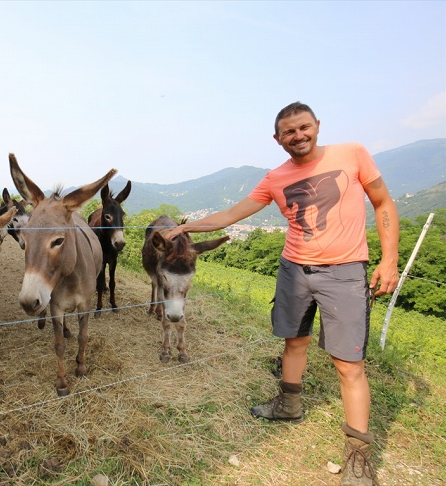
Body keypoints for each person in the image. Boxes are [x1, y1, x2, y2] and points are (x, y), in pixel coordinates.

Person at [166, 102, 399, 485]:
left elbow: (383, 202)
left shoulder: (353, 154)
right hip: (294, 270)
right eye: (289, 132)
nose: (299, 136)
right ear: (278, 139)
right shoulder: (276, 177)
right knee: (294, 342)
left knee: (349, 365)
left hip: (344, 271)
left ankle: (358, 458)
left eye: (304, 127)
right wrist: (182, 230)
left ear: (317, 126)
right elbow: (230, 216)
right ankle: (288, 405)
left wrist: (389, 260)